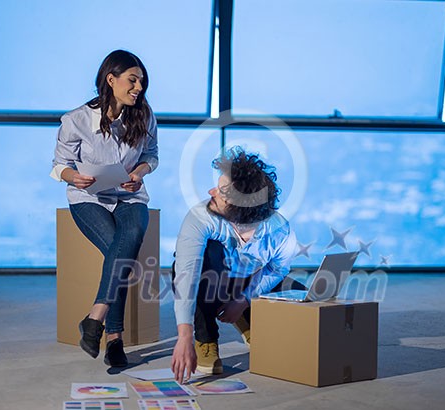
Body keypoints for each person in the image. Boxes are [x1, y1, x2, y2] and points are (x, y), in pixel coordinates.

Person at [50, 50, 158, 367]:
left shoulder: (145, 116)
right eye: (132, 80)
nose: (139, 87)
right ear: (111, 79)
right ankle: (114, 341)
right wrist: (74, 177)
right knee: (119, 250)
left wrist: (139, 173)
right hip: (89, 198)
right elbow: (59, 166)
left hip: (129, 197)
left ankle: (96, 316)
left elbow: (151, 156)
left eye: (142, 82)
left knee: (131, 234)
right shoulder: (76, 121)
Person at [171, 146, 303, 383]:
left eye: (220, 191)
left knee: (302, 297)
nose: (210, 191)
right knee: (208, 260)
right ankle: (206, 338)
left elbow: (277, 269)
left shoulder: (280, 231)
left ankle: (245, 316)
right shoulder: (201, 217)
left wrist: (243, 301)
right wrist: (184, 336)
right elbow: (186, 274)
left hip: (245, 281)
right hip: (211, 276)